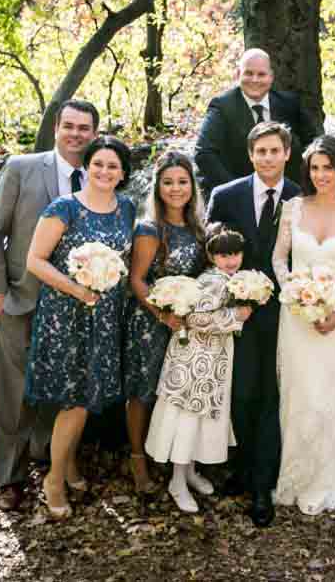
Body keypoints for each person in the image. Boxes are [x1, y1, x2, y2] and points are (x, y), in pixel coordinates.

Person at [0, 98, 98, 512]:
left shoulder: (97, 176)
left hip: (73, 305)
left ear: (95, 135)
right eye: (69, 125)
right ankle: (9, 477)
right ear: (56, 128)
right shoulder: (22, 168)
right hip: (21, 299)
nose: (76, 134)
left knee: (60, 386)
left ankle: (48, 455)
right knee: (14, 392)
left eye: (85, 128)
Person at [23, 136, 136, 519]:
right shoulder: (65, 207)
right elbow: (35, 261)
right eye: (98, 164)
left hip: (105, 316)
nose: (105, 171)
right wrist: (77, 289)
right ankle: (53, 479)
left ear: (123, 173)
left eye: (113, 166)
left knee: (87, 397)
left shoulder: (127, 209)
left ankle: (68, 465)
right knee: (75, 398)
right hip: (66, 315)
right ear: (86, 166)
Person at [205, 121, 301, 528]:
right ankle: (242, 469)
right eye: (260, 151)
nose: (267, 158)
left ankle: (262, 485)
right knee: (240, 393)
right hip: (236, 316)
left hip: (286, 315)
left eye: (274, 151)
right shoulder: (226, 196)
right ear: (250, 155)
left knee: (269, 397)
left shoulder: (301, 196)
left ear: (287, 154)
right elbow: (207, 252)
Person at [272, 135, 335, 515]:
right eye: (314, 168)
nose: (320, 175)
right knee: (300, 396)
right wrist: (296, 297)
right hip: (296, 318)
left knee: (331, 396)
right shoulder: (293, 208)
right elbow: (279, 260)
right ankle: (298, 476)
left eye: (327, 167)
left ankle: (332, 479)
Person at [145, 223, 253, 513]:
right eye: (223, 255)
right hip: (193, 358)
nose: (230, 261)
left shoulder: (227, 278)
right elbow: (194, 319)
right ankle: (177, 480)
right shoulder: (211, 281)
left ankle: (190, 472)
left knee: (201, 414)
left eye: (235, 254)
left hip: (212, 358)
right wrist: (236, 315)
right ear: (211, 256)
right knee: (188, 416)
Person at [121, 151, 206, 493]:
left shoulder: (198, 227)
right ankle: (138, 459)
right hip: (150, 322)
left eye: (182, 182)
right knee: (143, 390)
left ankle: (178, 461)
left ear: (192, 186)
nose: (175, 189)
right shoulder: (149, 228)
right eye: (168, 182)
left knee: (180, 390)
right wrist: (162, 315)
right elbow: (137, 279)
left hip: (186, 322)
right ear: (157, 187)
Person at [194, 48, 319, 201]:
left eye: (261, 74)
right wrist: (235, 191)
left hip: (286, 195)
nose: (254, 80)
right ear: (237, 75)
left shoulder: (289, 104)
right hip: (237, 194)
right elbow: (204, 153)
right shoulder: (222, 107)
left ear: (271, 77)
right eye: (248, 73)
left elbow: (314, 143)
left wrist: (303, 185)